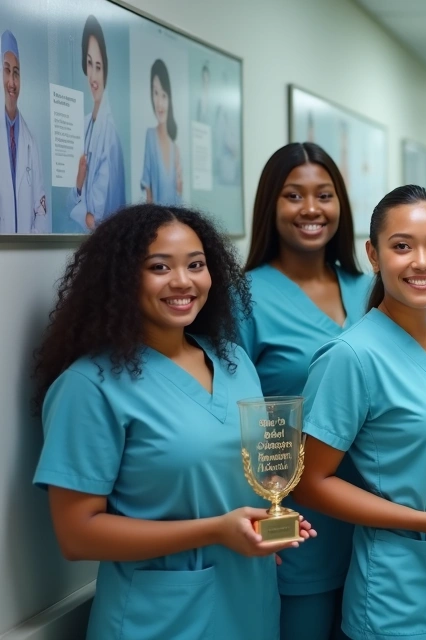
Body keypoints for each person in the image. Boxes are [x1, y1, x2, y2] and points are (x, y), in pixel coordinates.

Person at [32, 204, 315, 640]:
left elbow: (239, 481)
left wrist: (267, 523)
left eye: (196, 265)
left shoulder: (234, 362)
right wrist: (217, 532)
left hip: (250, 604)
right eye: (159, 267)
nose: (183, 281)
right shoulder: (90, 386)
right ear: (121, 278)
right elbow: (78, 535)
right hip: (160, 620)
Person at [294, 186, 426, 640]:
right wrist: (425, 521)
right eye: (401, 247)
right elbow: (311, 483)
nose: (422, 262)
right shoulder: (349, 356)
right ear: (373, 255)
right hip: (400, 594)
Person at [240, 142, 372, 640]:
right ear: (270, 206)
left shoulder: (370, 288)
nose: (312, 209)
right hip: (296, 523)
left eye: (325, 194)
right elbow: (228, 417)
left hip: (380, 513)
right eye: (294, 195)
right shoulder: (243, 295)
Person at [70, 15, 126, 231]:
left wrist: (80, 205)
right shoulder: (84, 125)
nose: (93, 76)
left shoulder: (109, 134)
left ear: (106, 71)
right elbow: (70, 201)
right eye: (90, 64)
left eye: (99, 67)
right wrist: (78, 186)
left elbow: (98, 218)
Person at [0, 29, 47, 233]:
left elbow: (41, 210)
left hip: (27, 255)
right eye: (7, 70)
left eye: (16, 73)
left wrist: (31, 252)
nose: (12, 82)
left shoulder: (31, 141)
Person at [141, 60, 182, 205]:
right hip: (156, 223)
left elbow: (179, 196)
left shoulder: (174, 148)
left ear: (169, 98)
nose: (159, 102)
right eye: (155, 93)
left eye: (163, 95)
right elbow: (147, 188)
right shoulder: (150, 136)